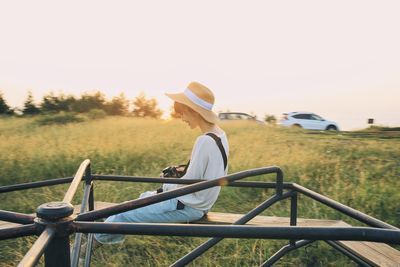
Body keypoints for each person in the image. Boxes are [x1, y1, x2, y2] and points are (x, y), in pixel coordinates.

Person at [93, 81, 229, 245]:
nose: (181, 118)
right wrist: (179, 173)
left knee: (123, 215)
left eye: (181, 113)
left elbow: (187, 185)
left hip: (188, 206)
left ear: (193, 111)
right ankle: (90, 239)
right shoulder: (220, 135)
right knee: (140, 199)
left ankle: (82, 250)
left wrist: (165, 185)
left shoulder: (204, 141)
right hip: (200, 203)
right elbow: (206, 173)